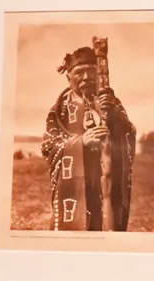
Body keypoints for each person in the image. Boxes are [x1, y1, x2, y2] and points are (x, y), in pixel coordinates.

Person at [43, 44, 135, 231]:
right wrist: (80, 143)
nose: (86, 77)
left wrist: (115, 117)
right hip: (76, 182)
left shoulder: (111, 103)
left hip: (105, 181)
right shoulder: (59, 110)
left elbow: (129, 133)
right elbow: (48, 146)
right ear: (69, 77)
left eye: (91, 72)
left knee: (105, 223)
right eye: (79, 72)